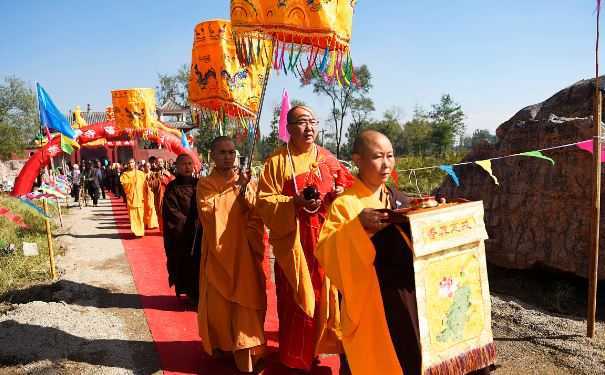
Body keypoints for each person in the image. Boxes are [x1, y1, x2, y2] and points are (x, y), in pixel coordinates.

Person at [317, 130, 491, 375]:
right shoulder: (345, 205)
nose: (386, 163)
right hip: (371, 302)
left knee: (409, 359)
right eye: (378, 157)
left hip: (407, 298)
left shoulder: (398, 198)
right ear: (357, 160)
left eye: (390, 155)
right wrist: (356, 226)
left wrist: (434, 216)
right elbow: (327, 251)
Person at [256, 105, 353, 372]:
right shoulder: (276, 162)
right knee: (296, 300)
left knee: (324, 299)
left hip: (324, 240)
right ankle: (293, 356)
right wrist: (292, 203)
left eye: (313, 121)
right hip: (294, 243)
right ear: (288, 129)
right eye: (301, 122)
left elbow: (349, 192)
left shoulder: (328, 159)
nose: (309, 127)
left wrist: (338, 194)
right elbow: (264, 201)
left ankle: (317, 350)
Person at [197, 136, 266, 373]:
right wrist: (236, 188)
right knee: (221, 305)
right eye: (222, 152)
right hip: (220, 253)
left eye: (231, 152)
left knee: (246, 303)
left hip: (245, 253)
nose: (228, 156)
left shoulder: (245, 180)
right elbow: (210, 212)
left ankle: (248, 352)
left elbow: (255, 211)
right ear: (212, 156)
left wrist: (246, 188)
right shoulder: (205, 183)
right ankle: (223, 345)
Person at [162, 153, 201, 303]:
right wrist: (189, 224)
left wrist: (201, 221)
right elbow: (171, 211)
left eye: (190, 164)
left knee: (198, 264)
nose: (187, 167)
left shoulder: (200, 184)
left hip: (199, 232)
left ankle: (198, 294)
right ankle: (188, 292)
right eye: (183, 164)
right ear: (177, 166)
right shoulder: (172, 187)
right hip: (181, 235)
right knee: (183, 263)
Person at [120, 158, 147, 237]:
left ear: (135, 163)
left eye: (132, 162)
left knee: (141, 215)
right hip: (131, 197)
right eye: (129, 163)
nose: (130, 164)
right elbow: (124, 185)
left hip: (140, 197)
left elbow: (145, 184)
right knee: (133, 215)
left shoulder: (140, 173)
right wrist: (132, 181)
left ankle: (141, 231)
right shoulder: (125, 175)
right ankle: (136, 231)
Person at [148, 157, 174, 231]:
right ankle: (162, 229)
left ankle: (168, 229)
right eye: (158, 162)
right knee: (160, 213)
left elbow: (172, 183)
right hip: (158, 196)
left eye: (161, 162)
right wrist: (158, 179)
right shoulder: (153, 174)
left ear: (164, 163)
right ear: (156, 164)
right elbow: (150, 184)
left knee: (168, 213)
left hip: (168, 197)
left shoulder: (168, 173)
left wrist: (166, 177)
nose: (160, 163)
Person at [142, 162, 159, 230]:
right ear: (144, 167)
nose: (148, 167)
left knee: (152, 207)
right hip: (144, 193)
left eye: (149, 166)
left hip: (151, 192)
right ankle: (146, 222)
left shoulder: (152, 174)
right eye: (146, 166)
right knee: (145, 208)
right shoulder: (142, 174)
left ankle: (152, 223)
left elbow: (156, 182)